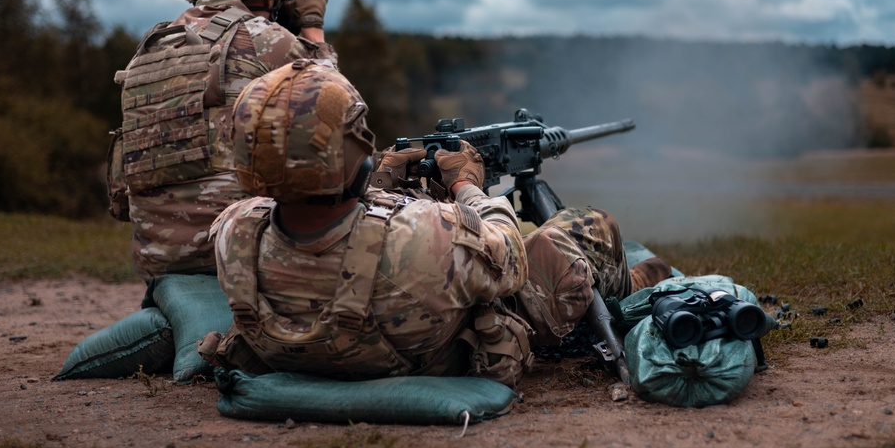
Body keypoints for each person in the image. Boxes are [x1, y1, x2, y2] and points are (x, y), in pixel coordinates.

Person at [202, 60, 672, 386]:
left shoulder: (234, 232)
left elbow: (319, 206)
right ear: (351, 150)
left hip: (322, 348)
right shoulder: (428, 237)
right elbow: (509, 259)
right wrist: (469, 186)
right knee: (586, 227)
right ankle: (635, 284)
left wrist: (380, 181)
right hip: (437, 356)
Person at [63, 0, 337, 382]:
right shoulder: (266, 40)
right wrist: (310, 26)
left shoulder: (152, 46)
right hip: (237, 250)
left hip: (159, 256)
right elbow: (337, 106)